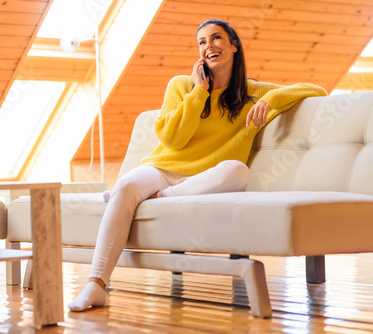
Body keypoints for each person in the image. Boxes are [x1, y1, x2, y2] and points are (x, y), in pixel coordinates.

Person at [67, 19, 327, 312]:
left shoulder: (252, 92)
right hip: (163, 169)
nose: (209, 46)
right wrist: (198, 92)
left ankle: (152, 200)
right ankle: (96, 285)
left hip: (205, 179)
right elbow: (170, 138)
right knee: (127, 185)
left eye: (216, 38)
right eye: (202, 42)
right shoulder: (181, 85)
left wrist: (272, 99)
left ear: (234, 45)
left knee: (238, 170)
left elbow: (316, 90)